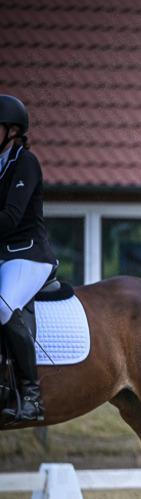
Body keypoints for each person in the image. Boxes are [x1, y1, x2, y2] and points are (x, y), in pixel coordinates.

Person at [0, 95, 56, 424]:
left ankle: (31, 395)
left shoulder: (26, 162)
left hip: (29, 254)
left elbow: (10, 217)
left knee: (3, 306)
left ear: (13, 130)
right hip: (4, 255)